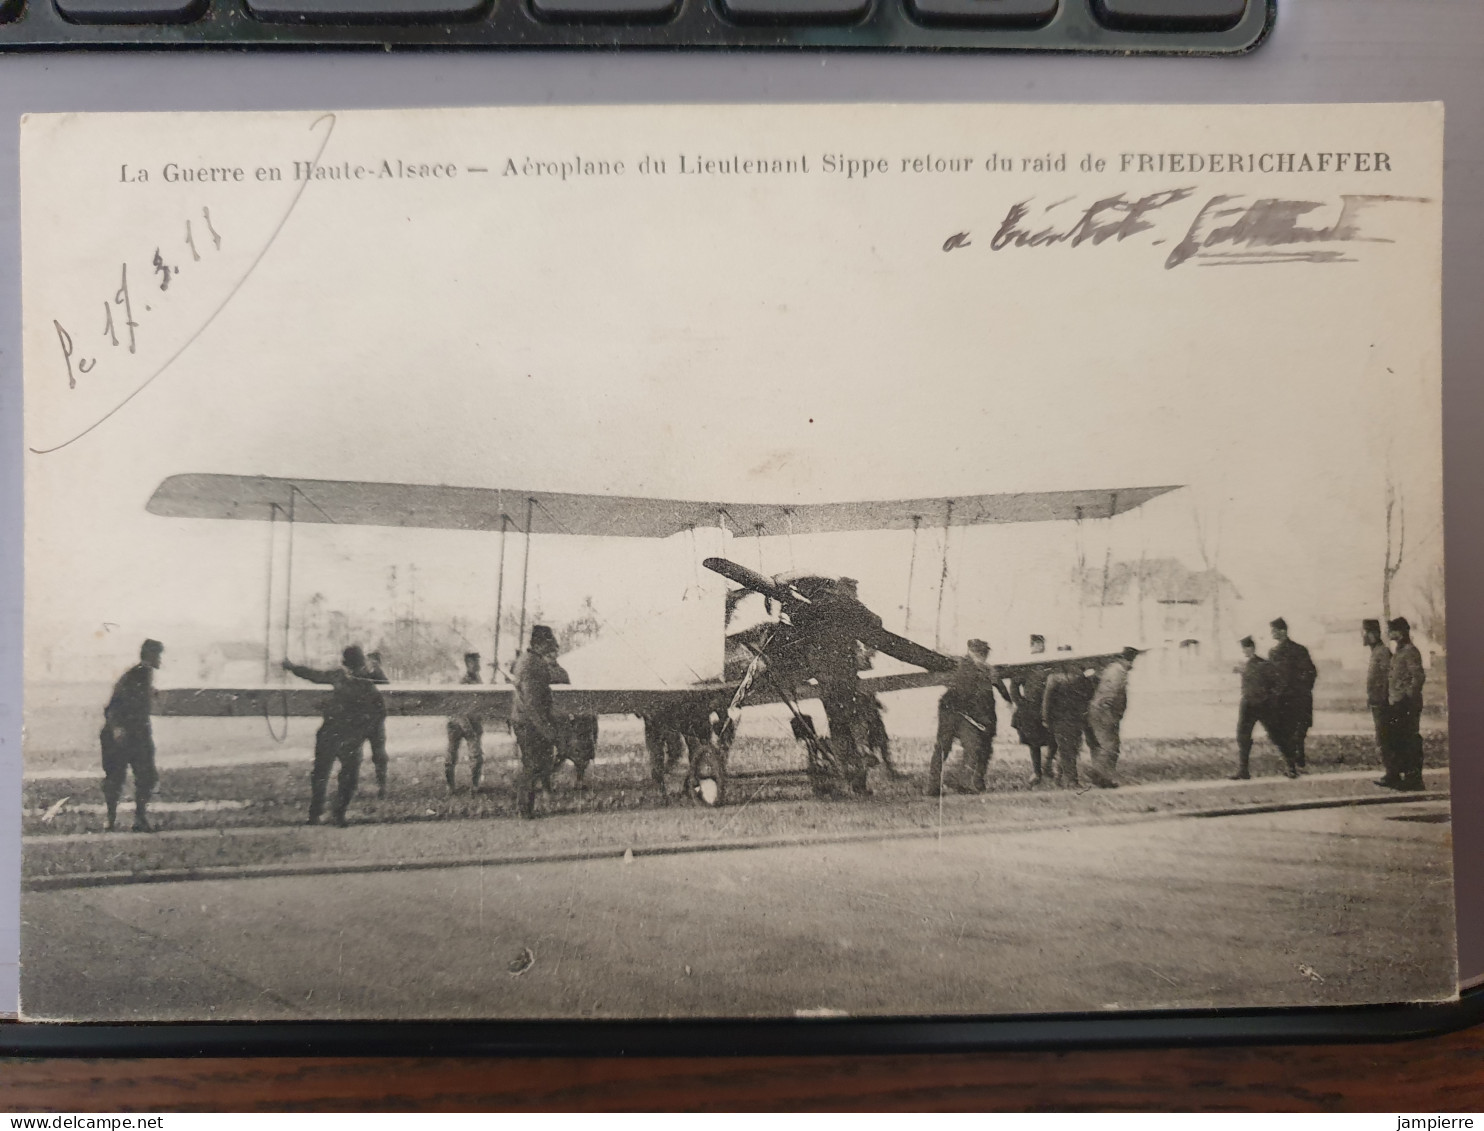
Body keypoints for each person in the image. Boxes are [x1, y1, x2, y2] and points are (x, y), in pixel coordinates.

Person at [283, 646, 385, 827]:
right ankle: (334, 813)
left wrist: (292, 667)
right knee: (342, 775)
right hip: (346, 735)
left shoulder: (344, 677)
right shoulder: (365, 680)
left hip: (333, 732)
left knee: (325, 774)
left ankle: (322, 813)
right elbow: (383, 695)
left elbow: (313, 675)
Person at [927, 639, 1012, 796]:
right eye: (981, 654)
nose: (983, 657)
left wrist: (1008, 700)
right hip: (950, 711)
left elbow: (1000, 685)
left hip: (967, 715)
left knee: (973, 747)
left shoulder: (987, 670)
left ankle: (964, 783)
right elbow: (935, 663)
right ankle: (933, 786)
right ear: (974, 653)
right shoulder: (957, 663)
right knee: (943, 747)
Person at [100, 638, 164, 832]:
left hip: (136, 733)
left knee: (146, 776)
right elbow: (114, 705)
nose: (160, 660)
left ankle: (138, 819)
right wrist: (118, 729)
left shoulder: (144, 676)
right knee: (116, 778)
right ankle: (112, 820)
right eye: (158, 655)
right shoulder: (135, 676)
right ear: (150, 655)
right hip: (122, 734)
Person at [511, 626, 562, 819]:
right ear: (540, 643)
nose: (552, 646)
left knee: (534, 763)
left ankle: (526, 807)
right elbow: (533, 704)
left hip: (526, 720)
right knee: (532, 764)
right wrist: (547, 729)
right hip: (530, 723)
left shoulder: (528, 660)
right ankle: (525, 809)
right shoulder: (532, 664)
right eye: (549, 642)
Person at [1267, 617, 1317, 773]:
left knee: (1298, 729)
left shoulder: (1299, 650)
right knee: (1285, 730)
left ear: (1283, 631)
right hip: (1282, 699)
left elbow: (1310, 672)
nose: (1272, 633)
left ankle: (1296, 760)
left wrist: (1301, 689)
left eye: (1274, 631)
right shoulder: (1273, 652)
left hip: (1297, 698)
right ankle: (1294, 761)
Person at [1085, 647, 1138, 788]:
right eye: (1131, 660)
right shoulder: (1118, 671)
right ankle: (1102, 777)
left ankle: (1102, 776)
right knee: (1109, 746)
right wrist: (1110, 716)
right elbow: (1109, 695)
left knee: (1105, 745)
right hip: (1104, 713)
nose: (1132, 665)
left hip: (1101, 711)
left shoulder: (1112, 669)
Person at [1387, 616, 1427, 792]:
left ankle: (1414, 779)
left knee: (1410, 740)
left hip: (1407, 705)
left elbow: (1417, 677)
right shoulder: (1399, 651)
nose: (1389, 633)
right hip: (1398, 703)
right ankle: (1406, 777)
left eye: (1392, 630)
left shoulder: (1410, 651)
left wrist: (1406, 697)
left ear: (1401, 632)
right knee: (1400, 740)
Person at [1231, 635, 1279, 780]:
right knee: (1242, 736)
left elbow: (1272, 683)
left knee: (1275, 734)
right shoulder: (1245, 664)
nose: (1244, 651)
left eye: (1246, 648)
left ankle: (1292, 766)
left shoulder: (1262, 663)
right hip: (1247, 704)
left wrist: (1268, 700)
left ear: (1251, 648)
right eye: (1243, 648)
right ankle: (1243, 770)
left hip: (1261, 704)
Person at [1041, 662, 1096, 789]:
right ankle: (1070, 780)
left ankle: (1060, 777)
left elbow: (1047, 701)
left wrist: (1046, 719)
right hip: (1071, 719)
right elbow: (1089, 695)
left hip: (1062, 719)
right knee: (1069, 749)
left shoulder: (1054, 677)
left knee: (1067, 749)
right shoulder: (1081, 677)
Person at [1010, 634, 1053, 785]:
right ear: (1032, 645)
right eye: (1037, 644)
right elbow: (1014, 686)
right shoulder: (1026, 665)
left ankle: (1048, 766)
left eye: (1042, 644)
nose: (1040, 647)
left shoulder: (1050, 662)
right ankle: (1037, 772)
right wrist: (1022, 703)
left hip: (1049, 707)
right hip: (1031, 710)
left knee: (1054, 739)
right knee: (1034, 743)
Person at [1363, 620, 1397, 788]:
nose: (1363, 636)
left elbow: (1387, 678)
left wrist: (1383, 699)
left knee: (1386, 739)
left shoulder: (1382, 652)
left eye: (1365, 632)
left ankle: (1393, 774)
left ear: (1373, 634)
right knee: (1383, 739)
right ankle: (1391, 773)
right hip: (1377, 703)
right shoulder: (1376, 651)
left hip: (1383, 704)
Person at [445, 651, 485, 792]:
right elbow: (457, 706)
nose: (477, 665)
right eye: (474, 662)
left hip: (473, 723)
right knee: (451, 755)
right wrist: (466, 725)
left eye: (478, 662)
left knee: (476, 756)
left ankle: (474, 786)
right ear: (468, 664)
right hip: (457, 723)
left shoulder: (478, 679)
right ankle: (450, 786)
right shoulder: (462, 681)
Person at [364, 651, 390, 798]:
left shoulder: (379, 676)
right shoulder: (362, 675)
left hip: (376, 722)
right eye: (370, 661)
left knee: (380, 755)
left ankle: (382, 786)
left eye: (375, 661)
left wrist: (377, 671)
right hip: (361, 721)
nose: (372, 664)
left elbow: (387, 689)